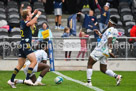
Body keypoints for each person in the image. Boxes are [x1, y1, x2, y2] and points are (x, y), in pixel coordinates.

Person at [7, 9, 41, 88]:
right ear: (27, 16)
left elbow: (28, 19)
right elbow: (31, 22)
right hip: (26, 45)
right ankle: (27, 78)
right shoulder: (26, 22)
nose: (30, 15)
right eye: (29, 14)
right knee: (34, 61)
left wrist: (33, 13)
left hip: (21, 45)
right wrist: (38, 15)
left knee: (20, 65)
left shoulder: (22, 21)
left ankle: (11, 80)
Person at [85, 17, 122, 87]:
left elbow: (110, 40)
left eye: (109, 21)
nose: (108, 22)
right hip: (105, 52)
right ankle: (117, 76)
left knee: (89, 63)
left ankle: (89, 83)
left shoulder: (109, 29)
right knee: (103, 69)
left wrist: (110, 51)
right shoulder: (115, 31)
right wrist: (99, 34)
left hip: (100, 50)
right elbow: (106, 39)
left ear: (111, 22)